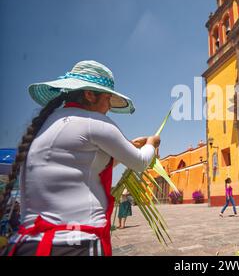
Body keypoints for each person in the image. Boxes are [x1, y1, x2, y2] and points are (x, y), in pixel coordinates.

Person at [1, 60, 161, 256]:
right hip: (74, 244)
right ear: (89, 94)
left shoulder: (48, 123)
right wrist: (151, 144)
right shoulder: (94, 122)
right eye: (108, 99)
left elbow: (83, 164)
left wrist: (129, 147)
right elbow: (140, 162)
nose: (109, 107)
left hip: (30, 245)